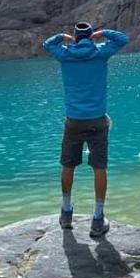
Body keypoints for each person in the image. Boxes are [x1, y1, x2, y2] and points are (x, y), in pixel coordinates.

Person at [42, 21, 129, 238]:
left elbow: (47, 44)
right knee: (99, 168)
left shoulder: (64, 55)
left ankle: (66, 213)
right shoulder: (100, 53)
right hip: (97, 121)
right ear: (91, 36)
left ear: (75, 36)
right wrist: (102, 34)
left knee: (68, 166)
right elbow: (122, 39)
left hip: (73, 120)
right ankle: (97, 219)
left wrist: (63, 37)